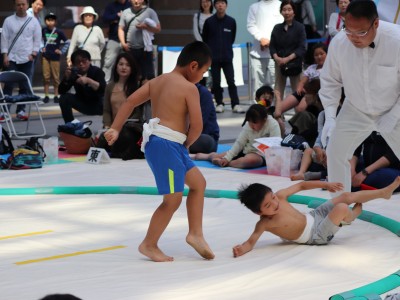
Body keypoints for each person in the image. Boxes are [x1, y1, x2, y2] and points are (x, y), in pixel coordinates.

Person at [104, 41, 215, 262]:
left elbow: (129, 102)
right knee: (172, 199)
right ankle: (149, 244)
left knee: (198, 184)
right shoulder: (190, 88)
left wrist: (115, 127)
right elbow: (198, 126)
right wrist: (187, 144)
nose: (203, 77)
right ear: (193, 66)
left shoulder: (157, 81)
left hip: (163, 143)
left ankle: (196, 234)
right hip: (167, 145)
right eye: (203, 72)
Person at [319, 0, 400, 194]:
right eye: (349, 30)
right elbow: (330, 82)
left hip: (393, 107)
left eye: (361, 32)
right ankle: (339, 208)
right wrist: (330, 117)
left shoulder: (396, 40)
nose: (354, 38)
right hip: (356, 108)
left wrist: (395, 114)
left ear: (376, 23)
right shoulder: (339, 42)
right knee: (335, 152)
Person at [232, 176, 400, 257]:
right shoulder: (264, 223)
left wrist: (326, 184)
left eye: (273, 198)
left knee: (346, 197)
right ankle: (351, 216)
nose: (275, 204)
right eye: (268, 206)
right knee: (341, 208)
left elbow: (302, 185)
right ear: (259, 212)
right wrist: (241, 249)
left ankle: (383, 193)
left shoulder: (280, 196)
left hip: (313, 216)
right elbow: (251, 242)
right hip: (315, 235)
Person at [193, 104, 281, 169]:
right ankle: (209, 157)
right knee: (222, 156)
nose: (252, 126)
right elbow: (239, 143)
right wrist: (227, 158)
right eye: (250, 123)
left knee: (249, 161)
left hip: (261, 154)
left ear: (264, 120)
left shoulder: (272, 124)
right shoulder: (248, 126)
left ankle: (226, 163)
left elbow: (276, 144)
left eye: (255, 123)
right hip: (246, 149)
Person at [0, 0, 42, 122]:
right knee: (8, 85)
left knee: (24, 85)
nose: (21, 7)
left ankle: (21, 110)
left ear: (27, 5)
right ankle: (4, 111)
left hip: (27, 58)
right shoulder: (8, 20)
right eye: (18, 5)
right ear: (15, 6)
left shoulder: (33, 21)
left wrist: (34, 53)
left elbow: (37, 38)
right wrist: (5, 55)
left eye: (23, 4)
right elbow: (4, 38)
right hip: (11, 57)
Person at [98, 52, 144, 160]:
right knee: (102, 139)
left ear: (132, 68)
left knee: (125, 135)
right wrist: (107, 125)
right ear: (116, 66)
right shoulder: (110, 86)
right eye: (121, 64)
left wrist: (122, 124)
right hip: (114, 128)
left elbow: (138, 112)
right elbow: (106, 110)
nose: (124, 67)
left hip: (130, 128)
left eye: (127, 65)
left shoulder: (137, 87)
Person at [202, 0, 244, 114]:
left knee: (231, 81)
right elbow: (205, 39)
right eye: (218, 3)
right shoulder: (209, 22)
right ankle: (219, 103)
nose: (220, 5)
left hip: (227, 57)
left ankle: (235, 104)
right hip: (214, 58)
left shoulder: (231, 21)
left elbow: (232, 38)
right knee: (216, 82)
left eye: (223, 3)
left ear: (226, 5)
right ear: (214, 5)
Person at [269, 0, 307, 100]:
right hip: (279, 64)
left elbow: (302, 47)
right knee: (278, 90)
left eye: (289, 9)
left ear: (294, 12)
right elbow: (272, 46)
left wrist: (287, 59)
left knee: (297, 90)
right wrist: (277, 58)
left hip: (295, 63)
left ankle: (299, 114)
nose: (287, 12)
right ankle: (278, 114)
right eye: (284, 10)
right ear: (281, 12)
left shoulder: (300, 27)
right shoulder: (277, 28)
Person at [58, 49, 106, 123]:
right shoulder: (74, 73)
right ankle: (71, 125)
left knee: (110, 98)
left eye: (84, 61)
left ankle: (109, 124)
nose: (81, 64)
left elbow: (103, 89)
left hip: (99, 105)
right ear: (74, 64)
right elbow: (61, 91)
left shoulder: (97, 71)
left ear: (89, 61)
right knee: (64, 98)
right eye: (77, 62)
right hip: (83, 103)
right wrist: (66, 79)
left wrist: (89, 81)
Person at [246, 0, 283, 98]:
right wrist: (261, 38)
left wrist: (270, 42)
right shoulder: (254, 7)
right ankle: (259, 109)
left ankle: (277, 109)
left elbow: (282, 25)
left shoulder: (279, 4)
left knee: (276, 84)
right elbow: (250, 25)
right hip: (257, 54)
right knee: (258, 86)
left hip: (275, 55)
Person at [118, 0, 161, 81]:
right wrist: (123, 43)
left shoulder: (150, 12)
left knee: (148, 76)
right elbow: (120, 29)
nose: (136, 1)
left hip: (145, 50)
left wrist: (145, 27)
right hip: (130, 49)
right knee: (131, 76)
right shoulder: (125, 12)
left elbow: (158, 29)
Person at [41, 12, 67, 103]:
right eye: (48, 20)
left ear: (55, 22)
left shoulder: (59, 31)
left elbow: (67, 42)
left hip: (55, 57)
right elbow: (39, 40)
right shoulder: (43, 30)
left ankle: (56, 95)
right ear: (45, 21)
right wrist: (41, 48)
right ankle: (46, 95)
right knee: (46, 77)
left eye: (52, 20)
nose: (50, 22)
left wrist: (62, 51)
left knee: (56, 77)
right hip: (45, 57)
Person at [102, 0, 131, 82]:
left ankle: (127, 84)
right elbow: (105, 18)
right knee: (108, 63)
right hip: (114, 39)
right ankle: (105, 84)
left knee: (128, 63)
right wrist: (117, 15)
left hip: (128, 41)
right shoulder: (111, 6)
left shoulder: (130, 5)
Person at [189, 83, 220, 154]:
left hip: (204, 136)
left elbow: (199, 123)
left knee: (205, 141)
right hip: (184, 135)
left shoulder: (203, 93)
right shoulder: (178, 91)